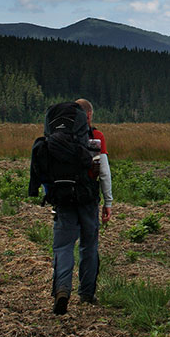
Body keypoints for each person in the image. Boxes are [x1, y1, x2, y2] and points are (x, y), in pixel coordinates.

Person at [51, 98, 113, 315]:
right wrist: (108, 202)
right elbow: (103, 173)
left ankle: (62, 289)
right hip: (87, 199)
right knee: (89, 245)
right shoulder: (96, 136)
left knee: (63, 246)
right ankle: (86, 293)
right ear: (88, 115)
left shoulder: (57, 137)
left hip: (64, 198)